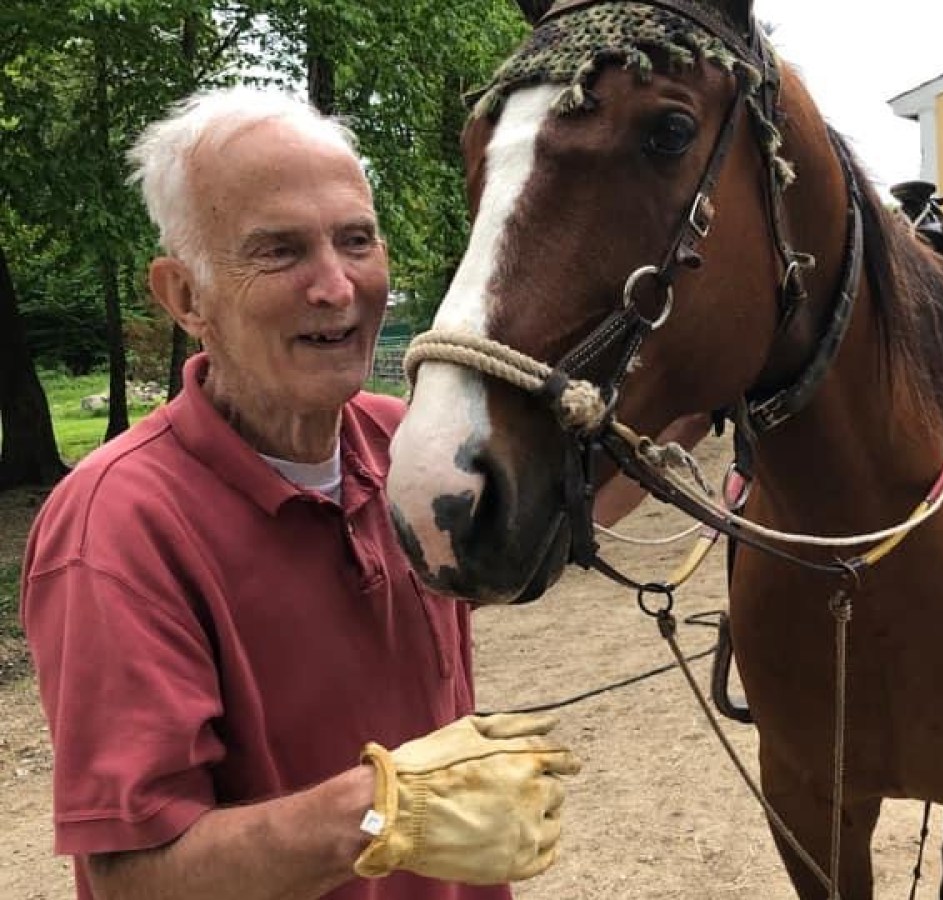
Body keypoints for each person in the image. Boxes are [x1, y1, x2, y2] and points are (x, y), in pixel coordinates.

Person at [20, 86, 581, 900]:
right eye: (279, 251)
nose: (337, 286)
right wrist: (381, 812)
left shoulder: (406, 442)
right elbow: (132, 879)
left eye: (356, 239)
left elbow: (564, 513)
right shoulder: (117, 524)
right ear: (184, 297)